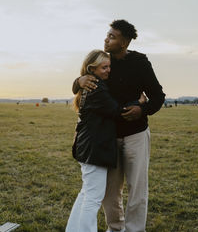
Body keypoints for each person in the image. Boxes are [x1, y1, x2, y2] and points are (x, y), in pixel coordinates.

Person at [72, 20, 165, 232]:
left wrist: (142, 109)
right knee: (110, 191)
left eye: (112, 36)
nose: (106, 38)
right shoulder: (104, 62)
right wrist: (79, 79)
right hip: (109, 136)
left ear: (124, 42)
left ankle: (134, 230)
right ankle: (115, 228)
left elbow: (158, 96)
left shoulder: (140, 63)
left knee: (137, 190)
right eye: (107, 34)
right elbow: (81, 84)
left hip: (136, 135)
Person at [66, 50, 146, 232]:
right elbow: (117, 111)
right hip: (95, 148)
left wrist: (78, 81)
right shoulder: (97, 87)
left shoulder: (90, 84)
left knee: (86, 193)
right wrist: (139, 101)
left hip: (88, 147)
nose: (109, 70)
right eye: (104, 67)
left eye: (109, 66)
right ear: (91, 69)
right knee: (93, 196)